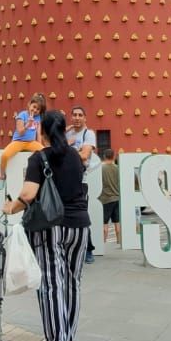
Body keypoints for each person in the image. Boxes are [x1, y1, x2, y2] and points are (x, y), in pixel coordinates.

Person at [4, 109, 89, 341]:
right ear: (63, 130)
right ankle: (67, 336)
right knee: (73, 281)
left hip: (52, 227)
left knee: (52, 283)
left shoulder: (39, 158)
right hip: (80, 226)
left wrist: (11, 207)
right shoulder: (75, 156)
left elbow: (29, 194)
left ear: (42, 131)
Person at [67, 106, 98, 263]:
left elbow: (85, 155)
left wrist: (65, 149)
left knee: (81, 215)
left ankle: (88, 249)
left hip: (80, 181)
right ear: (71, 117)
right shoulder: (67, 134)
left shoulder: (88, 134)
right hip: (64, 179)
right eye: (74, 115)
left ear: (85, 118)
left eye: (80, 115)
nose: (77, 117)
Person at [0, 93, 46, 187]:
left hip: (31, 142)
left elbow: (38, 133)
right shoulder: (22, 115)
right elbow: (20, 132)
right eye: (34, 107)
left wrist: (40, 147)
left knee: (44, 153)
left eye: (38, 109)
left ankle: (44, 176)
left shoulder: (38, 118)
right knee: (4, 155)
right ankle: (2, 176)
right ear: (29, 104)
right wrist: (28, 124)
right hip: (18, 141)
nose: (35, 110)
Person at [98, 149, 121, 245]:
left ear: (104, 156)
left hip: (105, 199)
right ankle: (119, 241)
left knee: (104, 223)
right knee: (117, 222)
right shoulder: (118, 168)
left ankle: (103, 242)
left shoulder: (101, 169)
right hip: (117, 197)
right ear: (114, 156)